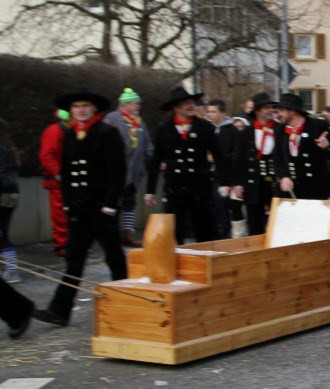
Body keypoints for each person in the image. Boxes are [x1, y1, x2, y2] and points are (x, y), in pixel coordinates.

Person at [35, 87, 128, 328]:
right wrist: (67, 203)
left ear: (94, 108)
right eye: (76, 107)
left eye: (85, 106)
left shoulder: (108, 133)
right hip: (78, 209)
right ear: (71, 111)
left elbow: (117, 173)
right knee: (73, 259)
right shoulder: (69, 135)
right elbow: (65, 173)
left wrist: (110, 205)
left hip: (101, 208)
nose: (81, 110)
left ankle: (127, 304)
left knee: (114, 257)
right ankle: (60, 311)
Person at [144, 87, 224, 243]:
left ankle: (206, 262)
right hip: (175, 188)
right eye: (186, 103)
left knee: (205, 231)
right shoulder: (164, 129)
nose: (190, 105)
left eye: (191, 102)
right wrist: (150, 190)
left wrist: (221, 180)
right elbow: (156, 160)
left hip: (199, 187)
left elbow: (219, 156)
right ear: (176, 108)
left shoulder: (204, 127)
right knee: (175, 233)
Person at [104, 88, 153, 247]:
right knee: (114, 203)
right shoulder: (112, 119)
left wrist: (153, 157)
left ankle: (128, 234)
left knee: (130, 203)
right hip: (116, 170)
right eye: (136, 103)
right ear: (127, 104)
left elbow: (147, 143)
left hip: (134, 171)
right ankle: (111, 236)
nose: (139, 106)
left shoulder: (139, 122)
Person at [230, 93, 280, 236]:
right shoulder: (246, 133)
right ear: (257, 111)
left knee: (276, 223)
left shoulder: (280, 130)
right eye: (266, 107)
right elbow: (239, 160)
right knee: (255, 224)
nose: (270, 110)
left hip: (274, 184)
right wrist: (238, 183)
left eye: (271, 107)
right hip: (254, 184)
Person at [275, 93, 330, 201]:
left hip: (315, 190)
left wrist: (326, 147)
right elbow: (277, 157)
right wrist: (283, 176)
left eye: (281, 110)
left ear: (292, 111)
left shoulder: (318, 126)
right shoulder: (280, 129)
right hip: (291, 190)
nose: (278, 114)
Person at [204, 98, 238, 239]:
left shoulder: (232, 132)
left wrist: (219, 158)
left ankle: (224, 236)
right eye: (209, 111)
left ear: (223, 113)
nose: (210, 115)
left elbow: (235, 155)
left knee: (222, 209)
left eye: (214, 111)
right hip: (207, 175)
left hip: (223, 177)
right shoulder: (207, 129)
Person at [39, 109, 70, 256]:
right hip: (59, 182)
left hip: (67, 179)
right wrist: (58, 173)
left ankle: (66, 243)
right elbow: (46, 155)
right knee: (60, 214)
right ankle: (61, 244)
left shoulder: (67, 130)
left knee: (66, 213)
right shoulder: (54, 131)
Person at [0, 119, 20, 283]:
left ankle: (11, 270)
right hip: (11, 194)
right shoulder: (9, 147)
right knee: (3, 232)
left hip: (2, 192)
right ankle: (11, 269)